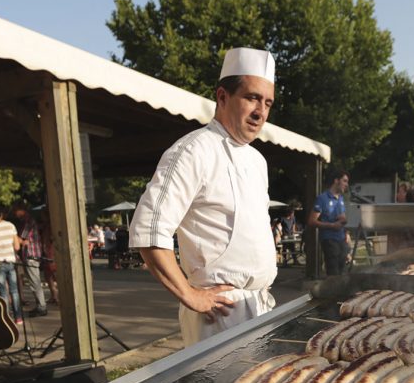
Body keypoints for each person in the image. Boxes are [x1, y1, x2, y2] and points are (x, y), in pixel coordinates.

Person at [129, 47, 278, 346]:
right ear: (222, 97)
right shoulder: (191, 151)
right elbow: (148, 232)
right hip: (220, 316)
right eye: (251, 98)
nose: (260, 112)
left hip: (261, 307)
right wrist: (190, 295)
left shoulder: (258, 161)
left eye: (267, 102)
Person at [11, 201, 48, 317]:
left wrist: (11, 234)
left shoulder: (28, 221)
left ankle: (42, 306)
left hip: (31, 255)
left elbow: (22, 240)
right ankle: (40, 305)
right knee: (33, 282)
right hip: (30, 254)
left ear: (21, 210)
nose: (14, 213)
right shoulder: (27, 221)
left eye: (15, 211)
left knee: (35, 282)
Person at [310, 169, 349, 276]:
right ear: (336, 181)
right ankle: (333, 292)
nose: (346, 184)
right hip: (329, 240)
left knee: (343, 271)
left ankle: (341, 292)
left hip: (341, 239)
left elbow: (342, 218)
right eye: (344, 181)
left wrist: (346, 231)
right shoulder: (322, 198)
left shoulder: (340, 198)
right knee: (333, 273)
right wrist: (331, 225)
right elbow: (312, 221)